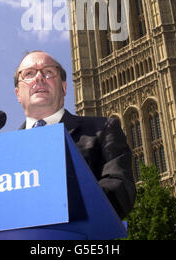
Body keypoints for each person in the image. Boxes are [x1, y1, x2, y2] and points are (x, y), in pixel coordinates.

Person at [14, 50, 136, 219]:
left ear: (64, 88)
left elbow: (120, 191)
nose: (39, 78)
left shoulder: (103, 129)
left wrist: (61, 205)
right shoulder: (4, 150)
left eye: (49, 72)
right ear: (18, 93)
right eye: (29, 74)